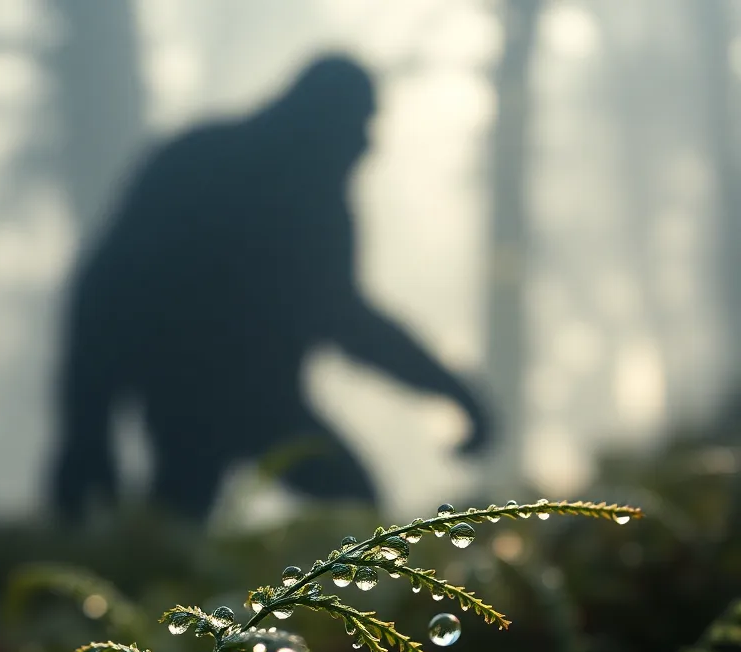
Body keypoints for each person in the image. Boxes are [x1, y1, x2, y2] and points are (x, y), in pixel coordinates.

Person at [51, 54, 492, 519]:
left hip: (258, 400)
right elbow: (106, 292)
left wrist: (452, 390)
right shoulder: (197, 168)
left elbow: (343, 318)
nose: (367, 144)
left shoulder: (310, 202)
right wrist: (87, 428)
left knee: (351, 509)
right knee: (188, 527)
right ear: (323, 120)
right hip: (189, 395)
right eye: (360, 124)